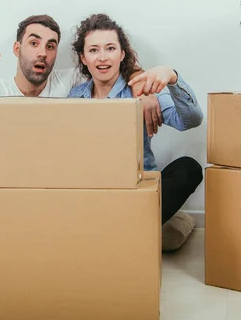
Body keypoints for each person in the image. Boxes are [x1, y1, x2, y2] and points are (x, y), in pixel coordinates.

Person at [0, 14, 165, 290]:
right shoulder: (0, 90)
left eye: (51, 46)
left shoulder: (74, 81)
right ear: (17, 49)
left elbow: (112, 62)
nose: (43, 52)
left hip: (49, 196)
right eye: (34, 42)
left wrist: (142, 87)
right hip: (4, 189)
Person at [68, 13, 204, 226]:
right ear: (84, 58)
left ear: (122, 54)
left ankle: (132, 227)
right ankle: (125, 227)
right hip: (96, 191)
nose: (102, 57)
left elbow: (190, 121)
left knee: (189, 168)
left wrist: (172, 76)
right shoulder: (76, 97)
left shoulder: (143, 91)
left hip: (139, 190)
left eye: (110, 48)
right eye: (94, 50)